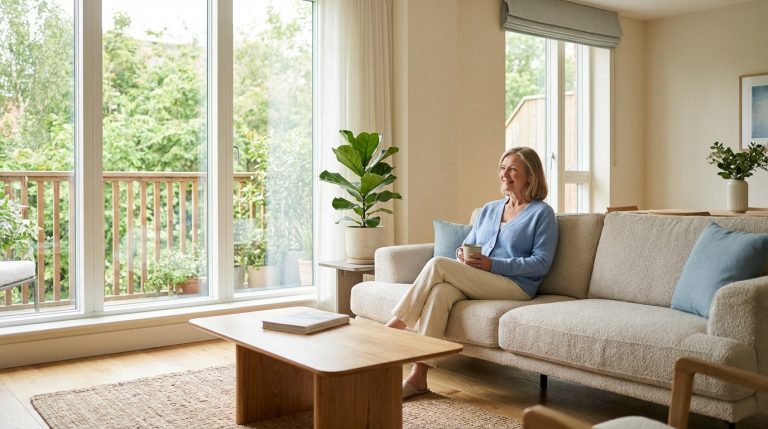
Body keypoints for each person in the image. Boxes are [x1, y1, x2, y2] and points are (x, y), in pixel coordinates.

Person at [386, 146, 559, 399]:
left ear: (531, 176)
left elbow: (541, 263)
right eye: (502, 168)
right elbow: (467, 243)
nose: (505, 174)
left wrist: (493, 265)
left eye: (513, 169)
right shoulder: (488, 210)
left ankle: (393, 328)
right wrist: (460, 254)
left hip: (516, 285)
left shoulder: (542, 214)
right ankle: (418, 378)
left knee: (437, 265)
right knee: (440, 293)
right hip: (481, 279)